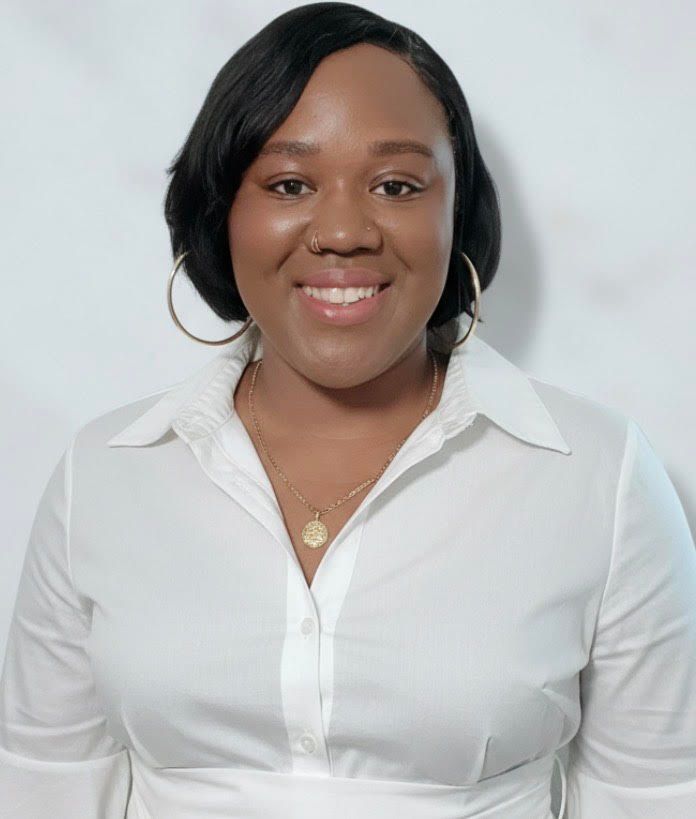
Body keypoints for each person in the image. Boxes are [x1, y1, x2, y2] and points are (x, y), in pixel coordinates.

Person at [1, 3, 695, 817]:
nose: (341, 231)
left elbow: (656, 797)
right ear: (222, 211)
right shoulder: (104, 472)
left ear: (457, 211)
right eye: (289, 184)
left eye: (396, 185)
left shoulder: (602, 476)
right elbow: (39, 786)